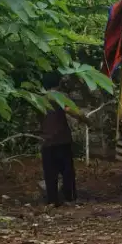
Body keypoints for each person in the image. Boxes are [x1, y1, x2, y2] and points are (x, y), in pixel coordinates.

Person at [40, 75, 89, 207]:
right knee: (67, 171)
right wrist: (84, 119)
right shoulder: (59, 96)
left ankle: (52, 200)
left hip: (46, 140)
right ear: (58, 83)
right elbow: (70, 110)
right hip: (62, 139)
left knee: (50, 172)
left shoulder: (39, 99)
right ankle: (69, 197)